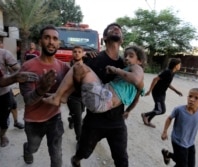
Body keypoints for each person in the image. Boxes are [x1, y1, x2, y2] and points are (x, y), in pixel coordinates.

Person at [70, 23, 129, 167]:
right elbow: (79, 89)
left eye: (119, 30)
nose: (116, 29)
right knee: (83, 152)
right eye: (111, 29)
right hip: (94, 120)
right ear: (104, 38)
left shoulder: (126, 66)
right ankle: (76, 159)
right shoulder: (93, 59)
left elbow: (137, 88)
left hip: (117, 121)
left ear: (122, 40)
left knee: (122, 160)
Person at [0, 24, 38, 167]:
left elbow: (17, 70)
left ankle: (2, 135)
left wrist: (13, 78)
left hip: (1, 94)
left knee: (3, 121)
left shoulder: (2, 54)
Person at [43, 45, 146, 116]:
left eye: (131, 56)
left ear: (139, 61)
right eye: (126, 55)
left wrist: (115, 70)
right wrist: (128, 111)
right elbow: (136, 99)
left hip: (102, 98)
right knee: (80, 69)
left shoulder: (137, 68)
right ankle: (63, 96)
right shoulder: (129, 71)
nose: (127, 58)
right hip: (103, 98)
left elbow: (136, 79)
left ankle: (57, 97)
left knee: (78, 66)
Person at [19, 25, 69, 167]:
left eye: (55, 39)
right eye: (47, 37)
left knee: (56, 155)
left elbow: (78, 80)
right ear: (40, 41)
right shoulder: (28, 67)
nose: (51, 42)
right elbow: (28, 100)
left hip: (55, 117)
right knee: (33, 147)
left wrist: (89, 60)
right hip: (34, 120)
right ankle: (27, 149)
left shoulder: (63, 67)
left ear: (58, 43)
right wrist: (41, 89)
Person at [161, 88, 198, 167]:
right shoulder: (179, 110)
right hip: (178, 141)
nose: (192, 99)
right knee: (182, 164)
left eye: (196, 98)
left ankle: (168, 154)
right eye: (190, 96)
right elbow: (169, 118)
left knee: (190, 164)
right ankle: (169, 155)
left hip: (190, 143)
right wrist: (165, 131)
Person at [0, 40, 24, 148]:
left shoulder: (3, 54)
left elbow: (17, 70)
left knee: (13, 104)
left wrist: (10, 80)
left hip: (7, 90)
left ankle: (14, 123)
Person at [141, 58, 183, 128]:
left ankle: (148, 120)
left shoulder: (172, 73)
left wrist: (176, 91)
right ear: (175, 65)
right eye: (179, 64)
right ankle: (145, 115)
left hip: (162, 93)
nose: (180, 66)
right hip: (157, 92)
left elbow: (167, 83)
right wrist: (149, 91)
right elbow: (155, 79)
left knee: (158, 108)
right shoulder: (167, 72)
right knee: (161, 110)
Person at [66, 46, 86, 142]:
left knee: (80, 112)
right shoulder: (68, 66)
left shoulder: (87, 65)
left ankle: (71, 120)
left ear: (83, 53)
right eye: (75, 51)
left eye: (79, 51)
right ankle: (79, 140)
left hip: (84, 96)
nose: (77, 53)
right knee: (79, 120)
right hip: (72, 97)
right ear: (72, 53)